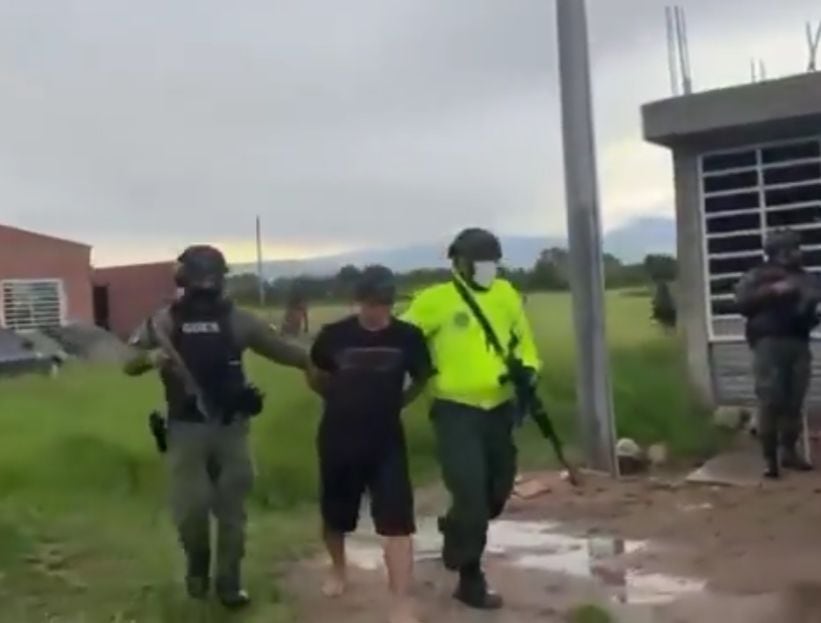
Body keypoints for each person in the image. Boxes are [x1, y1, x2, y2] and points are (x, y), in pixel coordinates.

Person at [123, 245, 310, 609]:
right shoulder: (164, 322)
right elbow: (128, 363)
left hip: (231, 429)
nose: (206, 285)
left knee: (231, 513)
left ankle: (229, 583)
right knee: (191, 512)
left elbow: (282, 350)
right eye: (202, 276)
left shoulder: (238, 320)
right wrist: (150, 357)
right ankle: (197, 569)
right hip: (185, 430)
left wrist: (320, 364)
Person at [400, 228, 541, 610]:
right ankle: (470, 577)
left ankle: (458, 526)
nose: (487, 269)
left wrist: (528, 370)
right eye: (479, 262)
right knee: (471, 494)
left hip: (500, 409)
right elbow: (402, 339)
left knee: (497, 491)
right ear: (459, 263)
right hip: (456, 411)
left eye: (492, 262)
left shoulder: (506, 295)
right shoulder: (435, 300)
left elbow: (525, 345)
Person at [307, 265, 432, 623]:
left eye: (385, 303)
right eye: (372, 303)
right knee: (336, 515)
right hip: (338, 436)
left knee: (398, 522)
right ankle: (338, 569)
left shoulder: (409, 337)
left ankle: (400, 602)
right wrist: (335, 397)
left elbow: (422, 377)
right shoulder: (334, 336)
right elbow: (314, 372)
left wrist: (399, 402)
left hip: (386, 439)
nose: (378, 311)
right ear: (358, 300)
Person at [735, 228, 821, 479]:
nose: (798, 253)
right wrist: (772, 291)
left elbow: (811, 306)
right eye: (793, 249)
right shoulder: (757, 276)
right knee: (771, 399)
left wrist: (813, 311)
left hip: (798, 341)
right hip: (769, 343)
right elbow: (741, 303)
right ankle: (769, 459)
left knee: (794, 401)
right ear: (779, 252)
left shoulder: (806, 278)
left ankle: (789, 452)